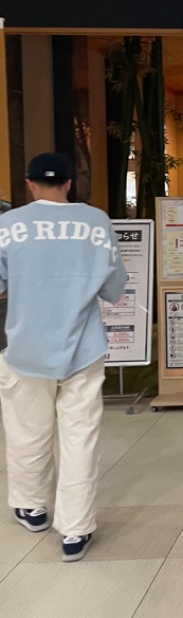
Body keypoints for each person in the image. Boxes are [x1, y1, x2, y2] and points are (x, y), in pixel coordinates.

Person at [0, 153, 127, 561]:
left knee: (27, 431)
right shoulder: (96, 222)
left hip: (26, 348)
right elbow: (113, 288)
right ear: (70, 184)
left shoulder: (8, 226)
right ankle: (75, 530)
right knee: (79, 436)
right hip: (83, 347)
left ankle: (32, 507)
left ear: (29, 183)